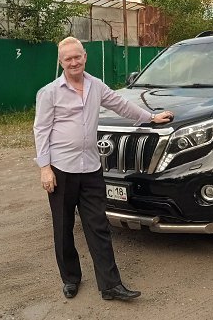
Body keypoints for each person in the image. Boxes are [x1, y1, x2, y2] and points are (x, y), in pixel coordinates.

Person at [33, 36, 174, 301]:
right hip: (61, 170)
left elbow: (121, 105)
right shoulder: (49, 92)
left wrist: (151, 117)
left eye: (77, 57)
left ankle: (110, 285)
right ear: (61, 62)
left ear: (85, 57)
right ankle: (70, 278)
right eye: (68, 59)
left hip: (91, 168)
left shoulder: (95, 86)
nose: (73, 62)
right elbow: (41, 130)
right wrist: (45, 168)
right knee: (63, 228)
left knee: (98, 226)